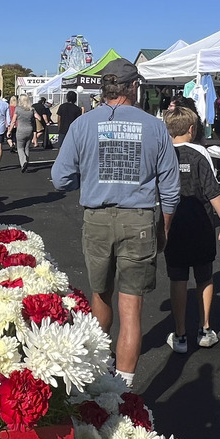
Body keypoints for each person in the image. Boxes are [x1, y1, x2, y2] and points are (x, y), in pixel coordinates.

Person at [51, 59, 180, 387]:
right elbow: (170, 188)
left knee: (100, 294)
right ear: (133, 87)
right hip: (139, 219)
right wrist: (163, 227)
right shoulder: (154, 126)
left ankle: (96, 371)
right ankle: (123, 388)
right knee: (131, 307)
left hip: (96, 219)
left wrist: (89, 174)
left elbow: (60, 178)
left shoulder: (83, 124)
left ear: (104, 88)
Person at [162, 106, 220, 353]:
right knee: (204, 276)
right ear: (192, 130)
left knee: (178, 277)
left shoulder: (163, 154)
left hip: (173, 222)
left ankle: (180, 333)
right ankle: (204, 329)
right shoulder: (200, 154)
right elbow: (213, 190)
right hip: (201, 221)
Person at [14, 94, 36, 172]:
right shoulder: (32, 109)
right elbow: (37, 117)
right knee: (26, 148)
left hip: (20, 130)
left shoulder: (18, 109)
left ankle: (23, 162)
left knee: (20, 148)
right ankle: (26, 163)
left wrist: (9, 130)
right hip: (29, 129)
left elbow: (13, 120)